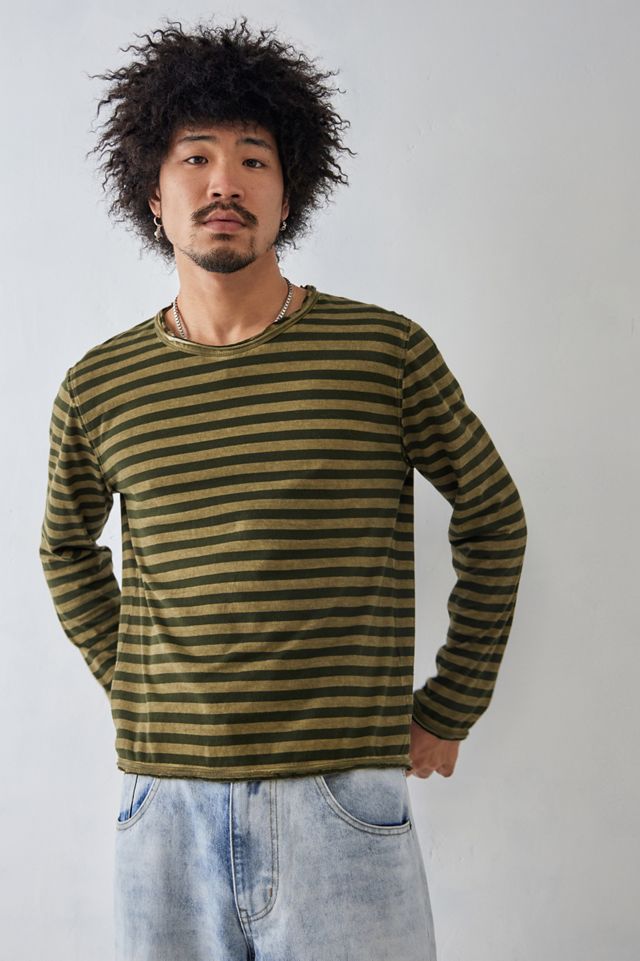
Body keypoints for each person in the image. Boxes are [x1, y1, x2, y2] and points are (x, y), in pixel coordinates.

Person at [39, 16, 527, 961]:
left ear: (288, 191)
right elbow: (64, 547)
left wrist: (452, 701)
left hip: (342, 802)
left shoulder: (383, 352)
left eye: (253, 159)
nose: (224, 181)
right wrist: (133, 677)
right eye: (196, 157)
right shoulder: (100, 385)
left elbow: (492, 513)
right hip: (164, 808)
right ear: (153, 193)